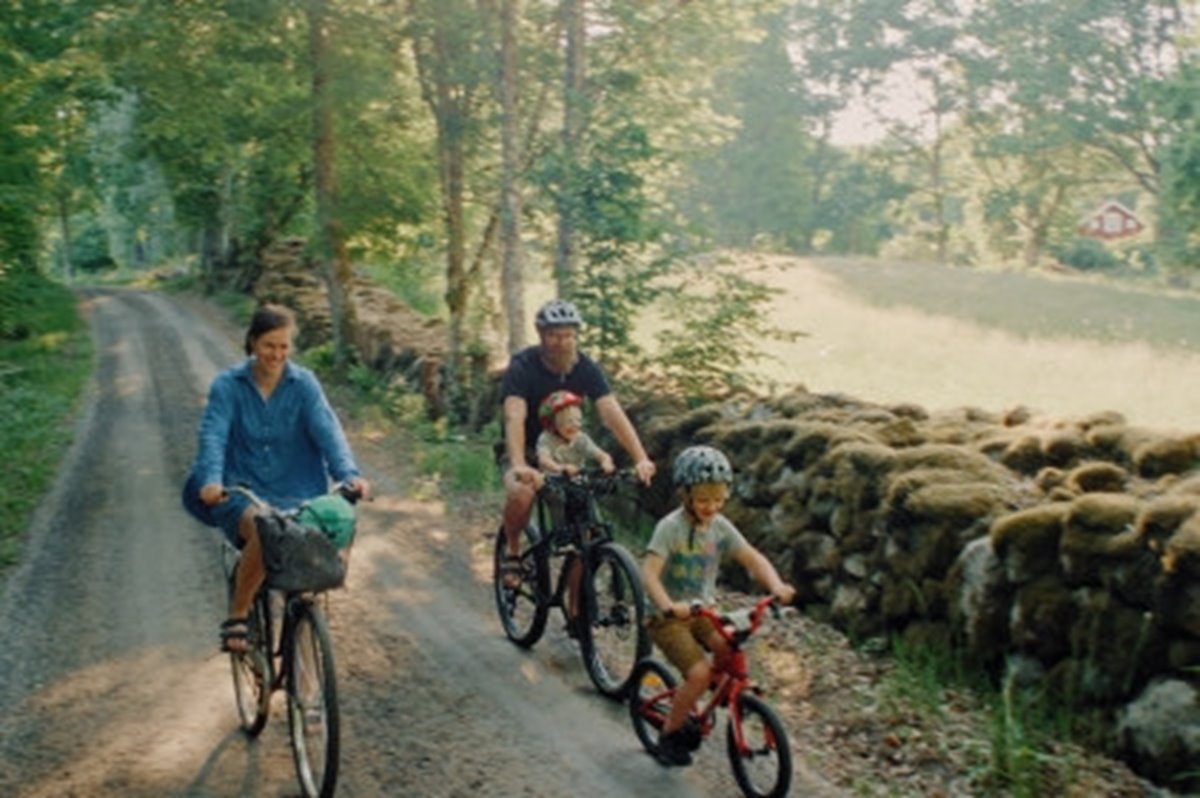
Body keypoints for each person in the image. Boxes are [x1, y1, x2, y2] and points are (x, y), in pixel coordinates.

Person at [181, 304, 370, 653]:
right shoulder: (228, 386)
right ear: (252, 342)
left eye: (284, 346)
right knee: (265, 528)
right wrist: (210, 480)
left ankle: (304, 645)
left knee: (324, 537)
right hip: (240, 492)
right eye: (269, 345)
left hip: (299, 490)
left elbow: (329, 433)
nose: (277, 354)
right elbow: (213, 436)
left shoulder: (304, 385)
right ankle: (238, 614)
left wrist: (349, 475)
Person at [641, 445, 796, 767]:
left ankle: (713, 695)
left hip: (702, 611)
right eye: (703, 499)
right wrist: (668, 606)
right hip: (668, 617)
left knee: (729, 647)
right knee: (699, 674)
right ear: (685, 495)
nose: (711, 506)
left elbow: (752, 557)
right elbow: (650, 575)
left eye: (718, 499)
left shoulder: (720, 527)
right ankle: (669, 737)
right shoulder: (669, 528)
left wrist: (776, 585)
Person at [498, 298, 655, 590]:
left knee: (585, 534)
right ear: (541, 334)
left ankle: (577, 615)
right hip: (527, 450)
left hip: (568, 455)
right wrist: (520, 464)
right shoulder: (523, 365)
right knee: (521, 491)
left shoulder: (584, 367)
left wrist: (640, 457)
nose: (562, 342)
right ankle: (513, 551)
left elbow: (611, 411)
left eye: (568, 335)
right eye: (554, 335)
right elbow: (514, 417)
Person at [535, 389, 615, 477]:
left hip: (577, 481)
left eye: (578, 420)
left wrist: (606, 462)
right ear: (553, 424)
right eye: (568, 421)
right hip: (553, 481)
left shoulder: (580, 438)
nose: (575, 426)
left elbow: (600, 454)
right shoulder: (546, 439)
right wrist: (560, 468)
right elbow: (544, 459)